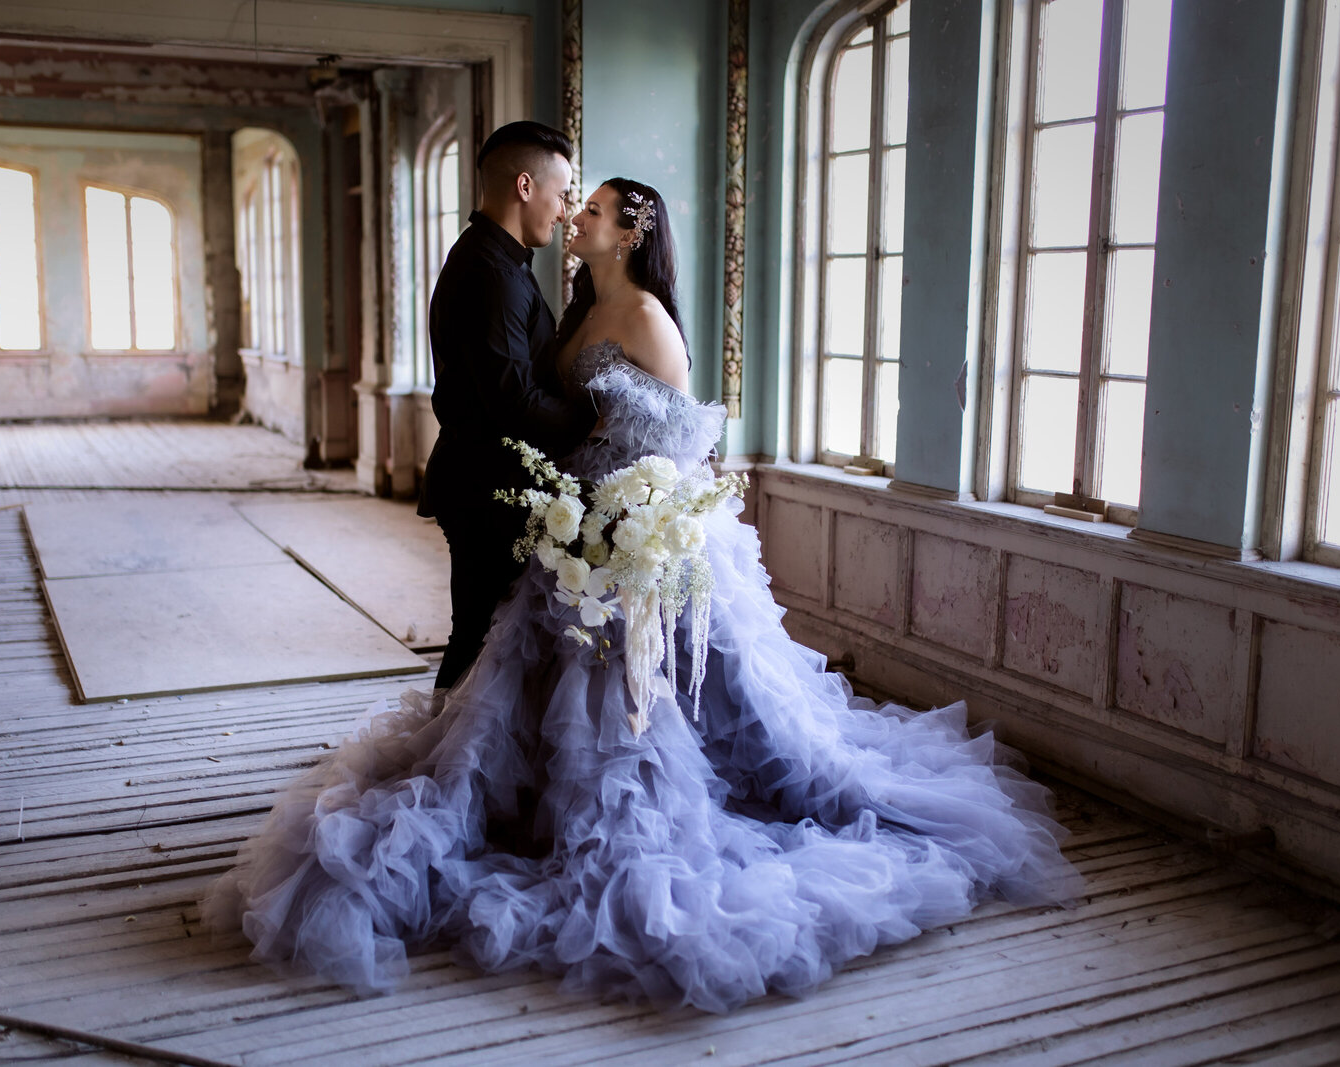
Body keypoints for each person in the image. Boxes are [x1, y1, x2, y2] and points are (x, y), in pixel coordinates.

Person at [207, 178, 1082, 1014]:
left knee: (641, 708)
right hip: (573, 530)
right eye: (575, 204)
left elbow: (671, 445)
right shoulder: (581, 310)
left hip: (633, 536)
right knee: (518, 693)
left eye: (594, 211)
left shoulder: (649, 321)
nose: (578, 217)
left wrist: (635, 531)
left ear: (631, 233)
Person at [419, 120, 597, 691]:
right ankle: (447, 767)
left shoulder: (499, 260)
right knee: (478, 636)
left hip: (487, 479)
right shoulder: (488, 272)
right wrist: (596, 424)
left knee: (485, 635)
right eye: (562, 191)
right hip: (485, 487)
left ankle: (460, 762)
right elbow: (513, 401)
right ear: (526, 186)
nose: (566, 209)